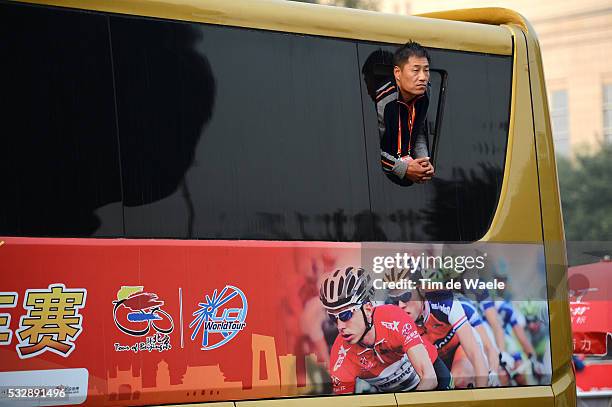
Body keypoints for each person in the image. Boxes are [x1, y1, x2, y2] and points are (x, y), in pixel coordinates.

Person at [319, 266, 438, 394]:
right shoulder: (340, 353)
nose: (340, 326)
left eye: (345, 315)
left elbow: (429, 378)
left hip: (430, 375)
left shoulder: (393, 317)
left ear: (368, 309)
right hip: (393, 394)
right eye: (333, 317)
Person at [385, 269, 489, 388]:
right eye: (395, 300)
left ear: (421, 290)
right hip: (435, 359)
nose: (400, 305)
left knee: (459, 379)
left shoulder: (443, 301)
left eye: (405, 296)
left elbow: (475, 354)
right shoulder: (393, 315)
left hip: (459, 349)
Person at [371, 42, 435, 184]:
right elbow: (371, 150)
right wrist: (403, 168)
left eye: (426, 70)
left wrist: (423, 162)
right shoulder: (383, 101)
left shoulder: (426, 93)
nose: (423, 77)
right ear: (397, 73)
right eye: (416, 70)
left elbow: (418, 132)